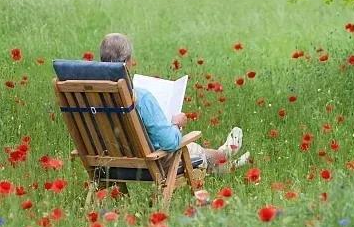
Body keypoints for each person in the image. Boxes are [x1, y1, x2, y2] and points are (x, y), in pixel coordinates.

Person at [99, 33, 249, 172]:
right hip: (153, 162)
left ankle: (225, 161)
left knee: (191, 149)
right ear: (128, 62)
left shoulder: (90, 96)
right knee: (193, 150)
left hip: (109, 163)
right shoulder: (139, 97)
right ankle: (225, 158)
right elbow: (169, 143)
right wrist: (176, 124)